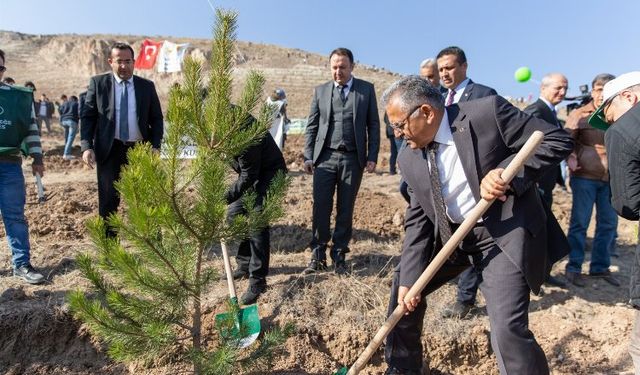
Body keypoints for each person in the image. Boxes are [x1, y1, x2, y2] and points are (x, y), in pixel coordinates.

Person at [382, 76, 572, 375]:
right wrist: (410, 277)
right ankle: (401, 369)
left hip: (500, 235)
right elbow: (418, 220)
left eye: (399, 125)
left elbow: (557, 139)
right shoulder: (409, 157)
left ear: (426, 113)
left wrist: (507, 173)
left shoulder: (486, 114)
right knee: (403, 292)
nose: (396, 134)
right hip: (453, 238)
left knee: (507, 329)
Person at [303, 47, 380, 274]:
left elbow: (373, 125)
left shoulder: (366, 90)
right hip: (324, 158)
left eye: (342, 67)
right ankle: (317, 256)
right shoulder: (321, 91)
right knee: (321, 207)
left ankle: (339, 256)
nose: (338, 72)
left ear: (352, 67)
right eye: (334, 67)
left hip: (352, 159)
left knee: (345, 208)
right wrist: (309, 156)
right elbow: (312, 126)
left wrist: (372, 156)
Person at [435, 46, 497, 319]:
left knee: (471, 234)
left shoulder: (484, 95)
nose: (444, 73)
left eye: (449, 67)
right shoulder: (436, 99)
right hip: (444, 179)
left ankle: (466, 297)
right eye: (440, 70)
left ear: (464, 66)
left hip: (475, 179)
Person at [81, 42, 163, 235]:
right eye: (119, 61)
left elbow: (157, 118)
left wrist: (155, 145)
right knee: (109, 200)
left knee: (145, 198)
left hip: (140, 151)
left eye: (128, 61)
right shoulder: (98, 84)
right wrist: (86, 146)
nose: (124, 66)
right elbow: (88, 117)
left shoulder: (146, 87)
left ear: (134, 62)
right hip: (110, 150)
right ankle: (111, 250)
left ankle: (153, 245)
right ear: (110, 62)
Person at [591, 71, 640, 372]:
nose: (610, 123)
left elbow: (629, 203)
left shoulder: (623, 131)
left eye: (609, 115)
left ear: (629, 97)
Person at [563, 73, 619, 287]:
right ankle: (574, 267)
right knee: (580, 223)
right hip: (584, 177)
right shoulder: (579, 114)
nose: (600, 93)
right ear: (592, 91)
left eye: (605, 89)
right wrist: (571, 155)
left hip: (611, 179)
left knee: (608, 224)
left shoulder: (618, 113)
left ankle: (599, 267)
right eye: (597, 89)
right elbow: (566, 141)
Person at [226, 115, 287, 304]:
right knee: (234, 215)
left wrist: (224, 197)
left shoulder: (242, 129)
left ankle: (258, 280)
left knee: (256, 223)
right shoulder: (216, 125)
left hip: (269, 174)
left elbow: (248, 175)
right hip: (252, 174)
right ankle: (244, 263)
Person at [0, 49, 45, 284]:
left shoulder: (18, 98)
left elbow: (31, 129)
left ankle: (21, 264)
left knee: (14, 216)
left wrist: (37, 158)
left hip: (9, 166)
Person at [524, 73, 569, 207]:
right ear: (543, 88)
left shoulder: (552, 114)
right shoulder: (535, 111)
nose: (563, 92)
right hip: (536, 181)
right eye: (558, 88)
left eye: (566, 88)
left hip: (546, 182)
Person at [59, 94, 80, 160]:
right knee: (70, 138)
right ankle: (66, 154)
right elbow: (79, 113)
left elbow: (60, 111)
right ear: (75, 99)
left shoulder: (65, 103)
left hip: (64, 121)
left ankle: (67, 149)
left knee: (67, 136)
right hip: (72, 121)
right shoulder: (76, 104)